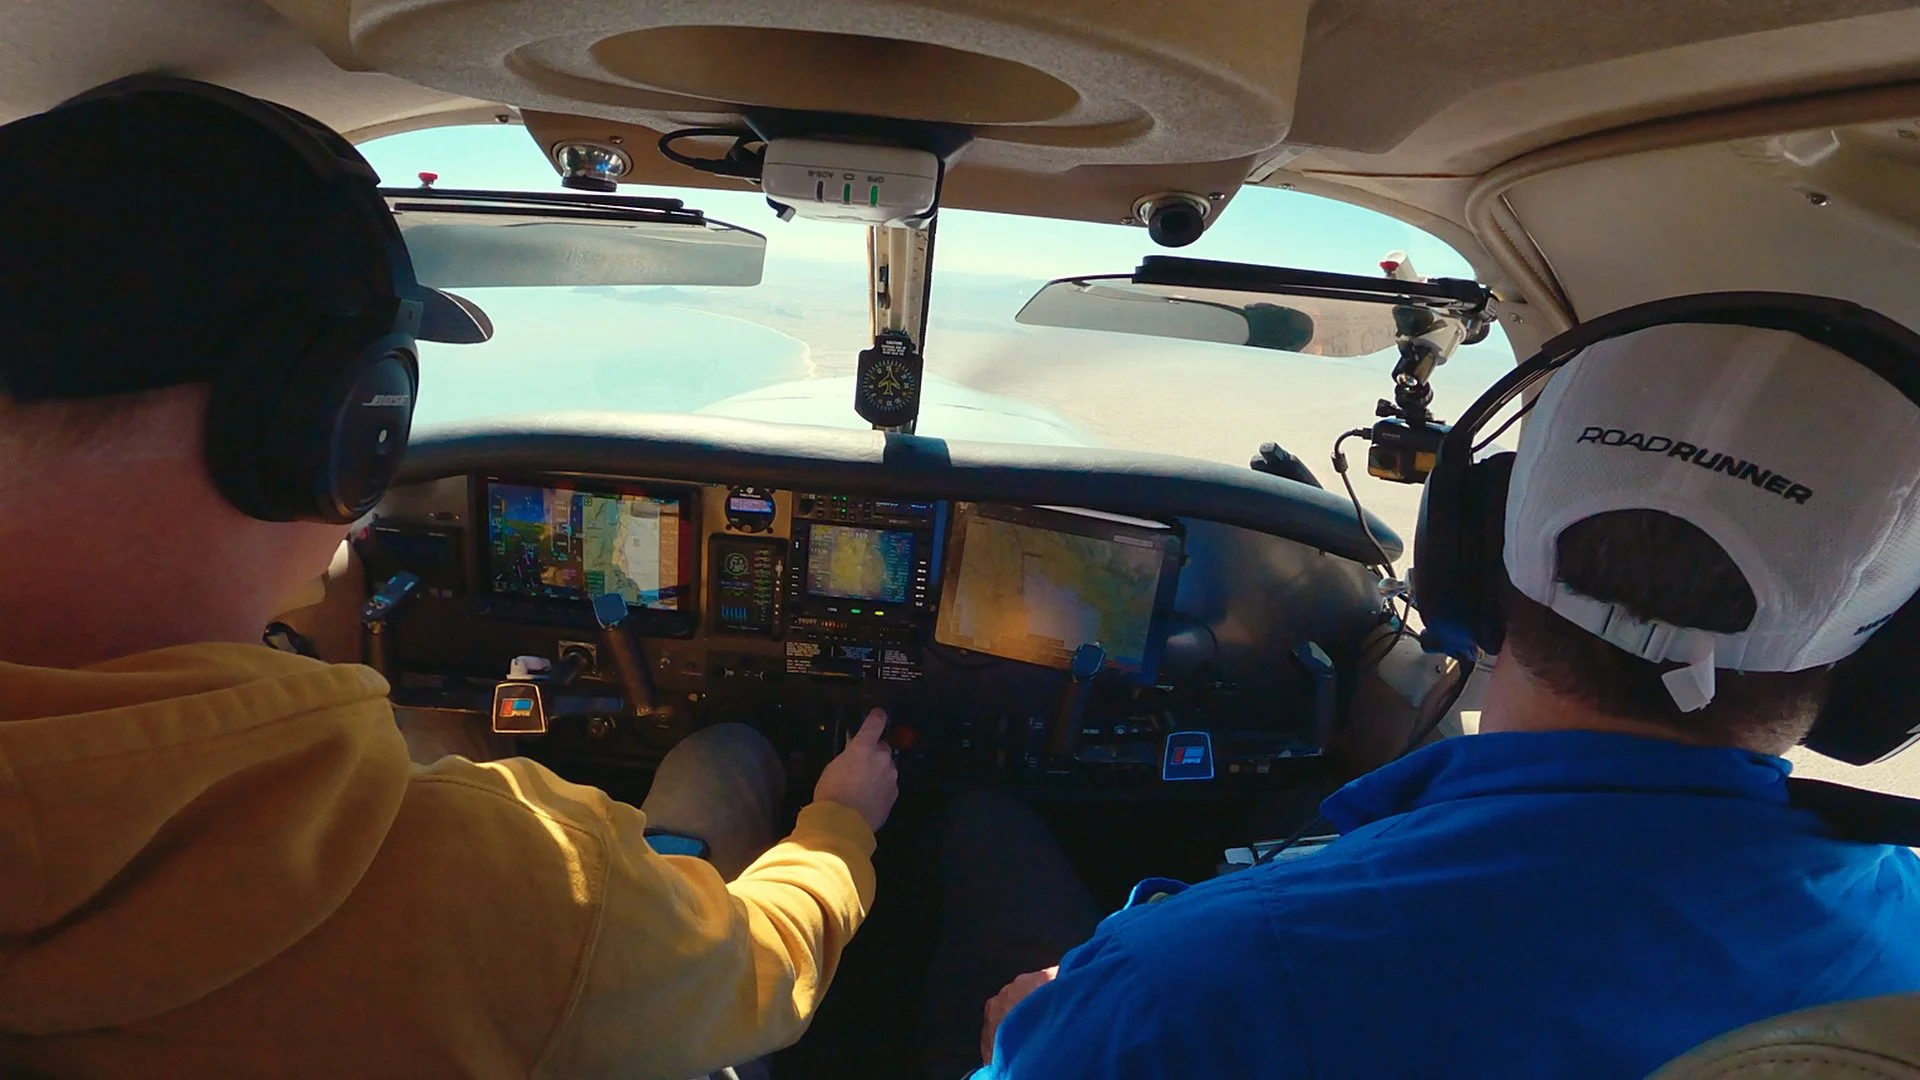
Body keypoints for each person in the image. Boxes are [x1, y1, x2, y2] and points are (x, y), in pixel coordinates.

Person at [0, 78, 897, 1079]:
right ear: (339, 433)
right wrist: (841, 823)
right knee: (720, 758)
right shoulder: (522, 893)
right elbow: (764, 976)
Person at [936, 318, 1920, 1078]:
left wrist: (1029, 1032)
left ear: (1467, 565)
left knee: (984, 824)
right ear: (1888, 664)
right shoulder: (1906, 948)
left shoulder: (1183, 987)